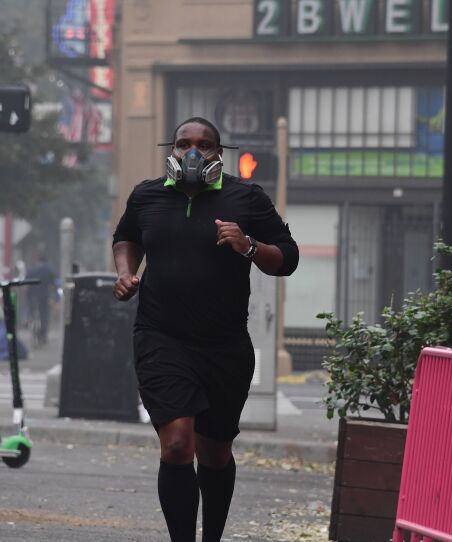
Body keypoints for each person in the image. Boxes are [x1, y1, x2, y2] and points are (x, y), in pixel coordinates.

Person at [111, 117, 298, 542]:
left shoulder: (246, 197)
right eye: (183, 144)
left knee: (214, 453)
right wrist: (125, 272)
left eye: (204, 144)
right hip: (161, 337)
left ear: (219, 152)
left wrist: (248, 245)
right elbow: (126, 238)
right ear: (172, 150)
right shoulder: (147, 195)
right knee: (178, 443)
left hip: (224, 346)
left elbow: (287, 258)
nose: (193, 152)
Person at [25, 252, 56, 345]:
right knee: (44, 315)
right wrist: (54, 298)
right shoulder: (49, 270)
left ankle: (30, 322)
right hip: (44, 296)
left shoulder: (31, 270)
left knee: (32, 311)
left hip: (32, 296)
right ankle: (43, 335)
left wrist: (26, 295)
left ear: (38, 260)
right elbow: (53, 284)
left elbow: (26, 284)